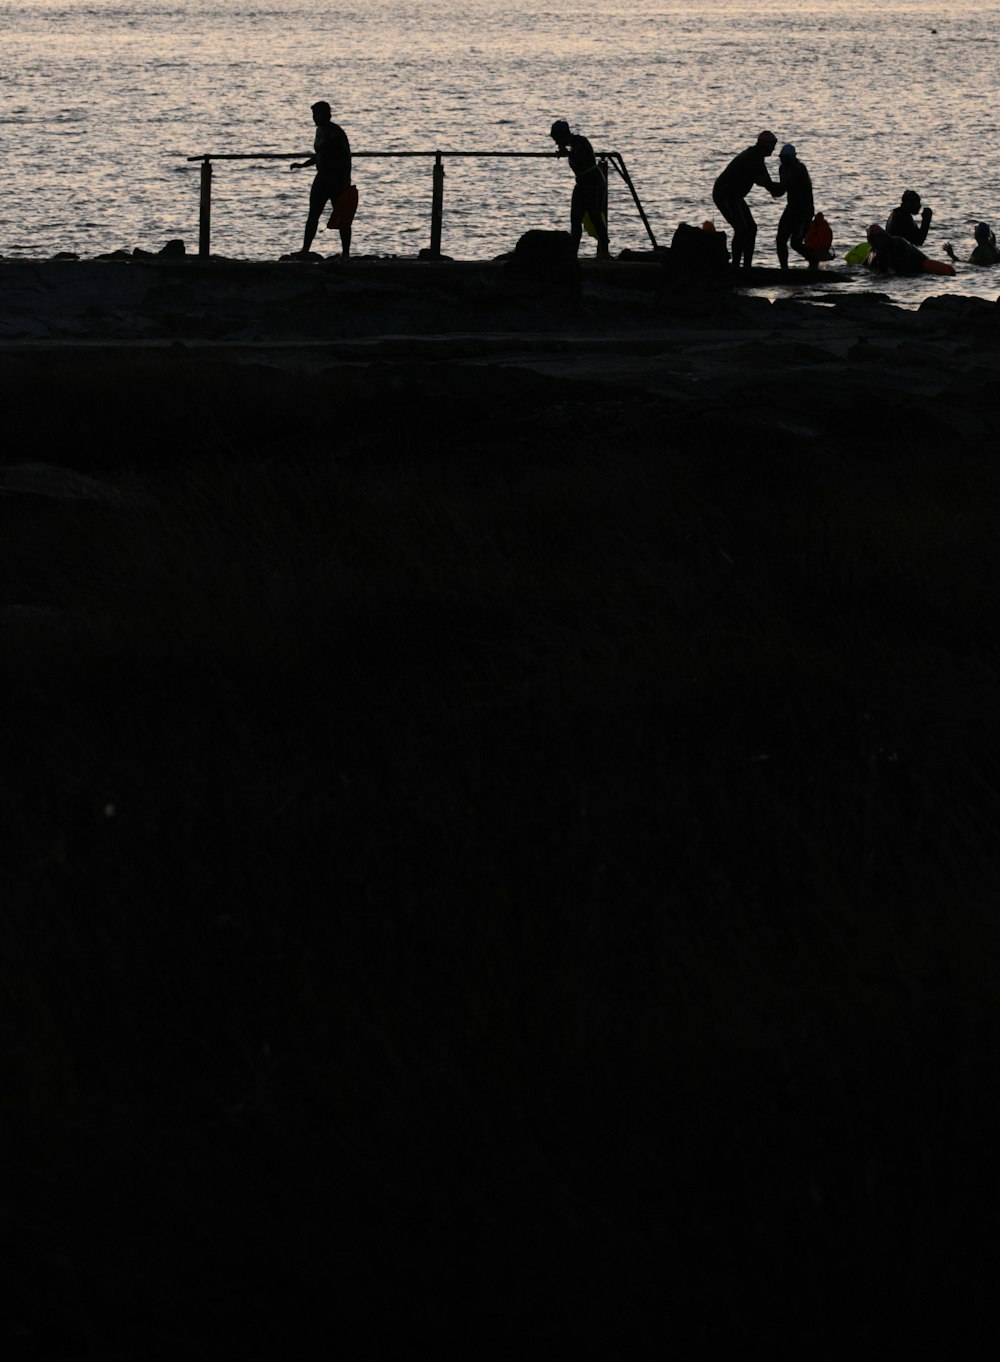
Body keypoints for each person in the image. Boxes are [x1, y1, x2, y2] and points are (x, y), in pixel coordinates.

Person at [712, 130, 782, 269]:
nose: (774, 149)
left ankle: (747, 266)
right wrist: (786, 185)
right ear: (765, 145)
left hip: (735, 197)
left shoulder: (757, 156)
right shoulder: (753, 158)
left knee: (751, 228)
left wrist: (782, 186)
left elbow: (770, 186)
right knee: (741, 229)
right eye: (772, 145)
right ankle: (737, 266)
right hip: (725, 195)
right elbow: (770, 186)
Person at [291, 101, 352, 258]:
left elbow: (346, 157)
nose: (314, 118)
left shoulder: (336, 132)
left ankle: (346, 253)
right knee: (313, 215)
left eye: (316, 114)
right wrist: (303, 165)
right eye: (313, 114)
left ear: (326, 114)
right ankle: (305, 249)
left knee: (342, 216)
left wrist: (346, 181)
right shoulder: (320, 131)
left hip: (336, 179)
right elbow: (319, 154)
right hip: (322, 178)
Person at [549, 120, 611, 260]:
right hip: (582, 183)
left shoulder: (581, 142)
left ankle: (604, 251)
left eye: (557, 139)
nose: (556, 143)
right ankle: (573, 254)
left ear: (564, 135)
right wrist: (565, 152)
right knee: (575, 219)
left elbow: (579, 158)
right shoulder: (572, 145)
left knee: (595, 215)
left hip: (593, 182)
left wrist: (567, 153)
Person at [773, 143, 814, 269]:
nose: (783, 161)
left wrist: (770, 186)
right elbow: (782, 190)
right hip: (791, 208)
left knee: (795, 243)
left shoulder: (799, 169)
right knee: (780, 240)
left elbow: (785, 186)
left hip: (803, 211)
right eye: (781, 159)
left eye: (785, 159)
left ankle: (813, 262)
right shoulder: (783, 169)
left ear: (792, 158)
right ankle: (784, 268)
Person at [865, 223, 954, 276]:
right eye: (870, 240)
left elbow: (904, 269)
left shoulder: (899, 244)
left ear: (883, 237)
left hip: (920, 268)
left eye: (873, 240)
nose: (872, 243)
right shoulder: (876, 251)